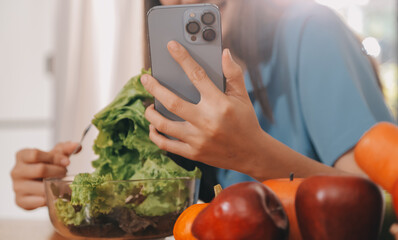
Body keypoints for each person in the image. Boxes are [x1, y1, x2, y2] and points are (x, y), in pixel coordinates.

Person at [11, 0, 396, 229]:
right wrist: (67, 194)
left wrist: (254, 155)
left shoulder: (311, 31)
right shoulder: (175, 90)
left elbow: (383, 205)